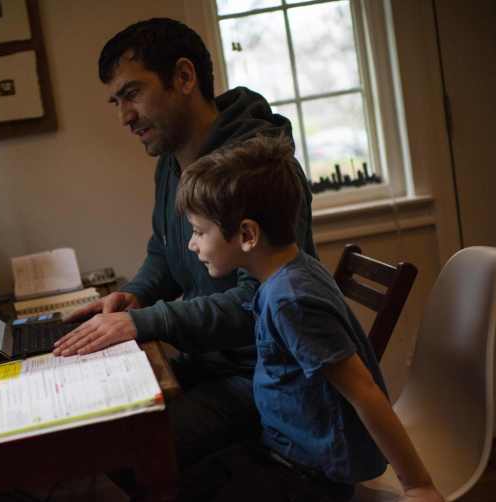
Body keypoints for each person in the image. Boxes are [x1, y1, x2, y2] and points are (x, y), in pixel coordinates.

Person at [174, 134, 447, 502]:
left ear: (246, 235)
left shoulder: (292, 299)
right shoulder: (286, 273)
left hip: (311, 475)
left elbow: (364, 392)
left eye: (199, 231)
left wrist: (418, 486)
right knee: (182, 492)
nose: (192, 244)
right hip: (283, 452)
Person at [53, 18, 316, 471]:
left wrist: (144, 322)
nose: (124, 117)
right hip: (210, 362)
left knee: (125, 451)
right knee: (97, 425)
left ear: (184, 77)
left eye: (132, 94)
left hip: (262, 376)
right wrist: (136, 294)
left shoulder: (259, 168)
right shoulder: (173, 161)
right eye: (116, 101)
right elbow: (163, 250)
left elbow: (260, 305)